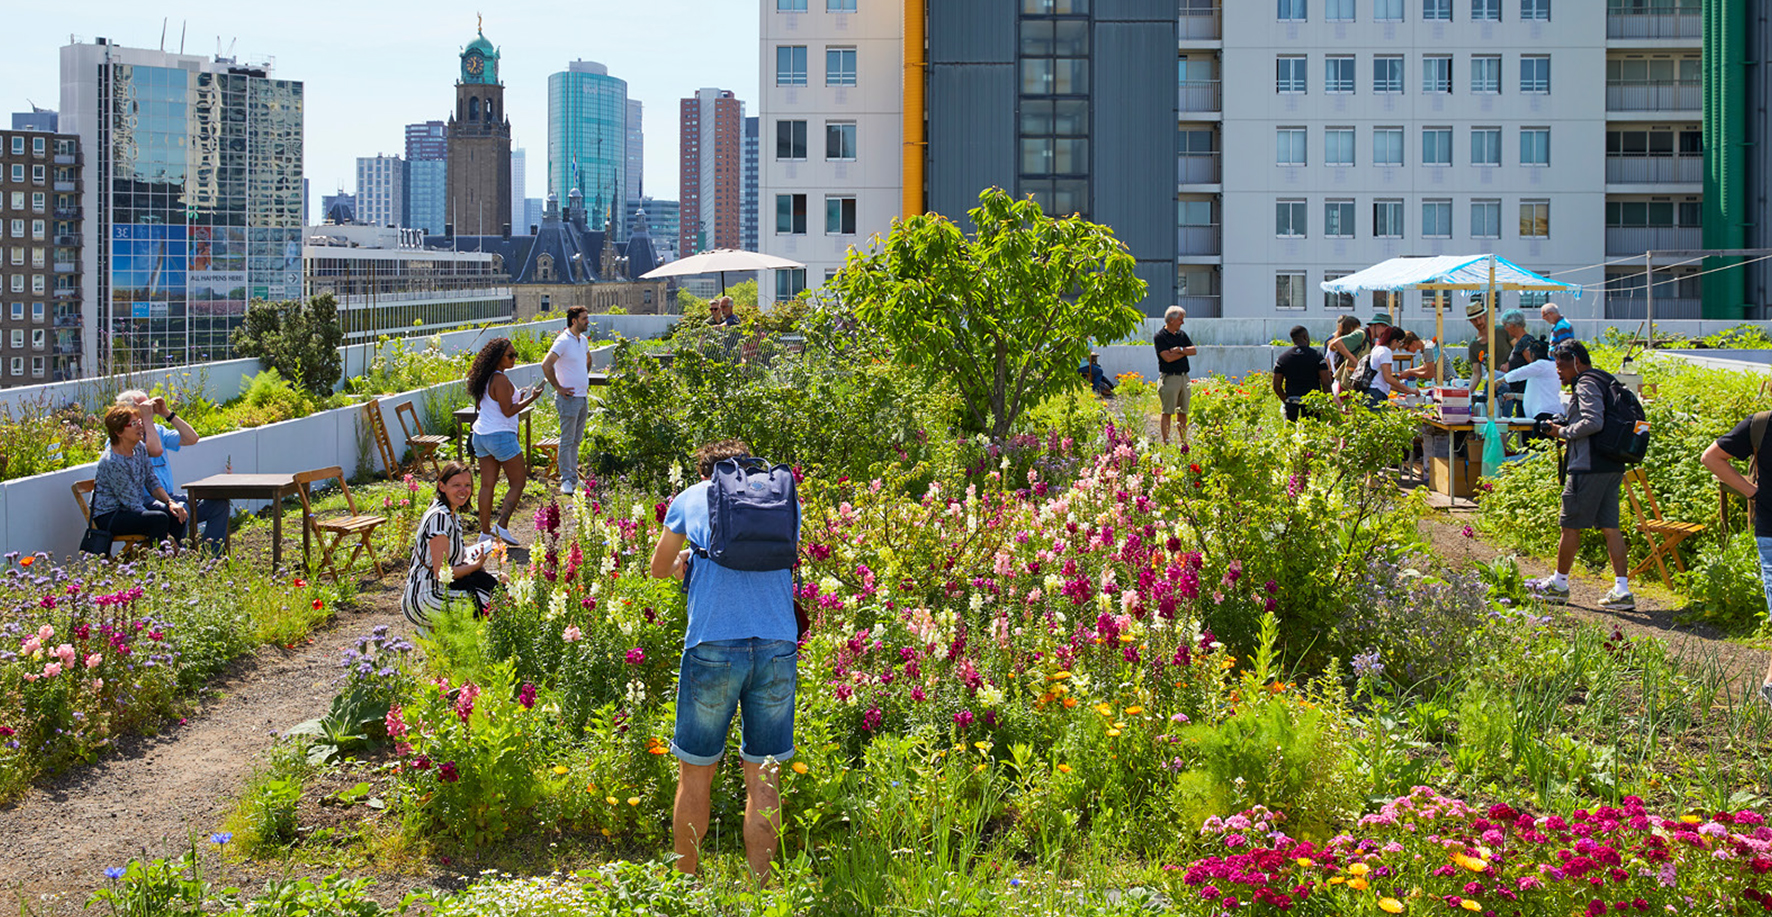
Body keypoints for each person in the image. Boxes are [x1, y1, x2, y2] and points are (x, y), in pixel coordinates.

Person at [649, 439, 799, 883]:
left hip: (712, 645)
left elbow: (658, 567)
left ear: (706, 473)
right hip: (776, 645)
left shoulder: (691, 497)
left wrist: (684, 560)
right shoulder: (781, 498)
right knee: (765, 775)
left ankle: (685, 884)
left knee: (696, 774)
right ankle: (762, 889)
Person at [1529, 341, 1634, 611]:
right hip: (1611, 464)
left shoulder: (1586, 383)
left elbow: (1593, 421)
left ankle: (1559, 585)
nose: (1558, 373)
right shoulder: (1605, 379)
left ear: (1575, 361)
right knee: (1610, 527)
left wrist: (1562, 432)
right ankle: (1622, 590)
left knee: (1570, 525)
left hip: (1587, 466)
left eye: (1560, 367)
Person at [1700, 412, 1772, 704]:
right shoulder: (1762, 424)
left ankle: (1770, 684)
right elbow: (1712, 458)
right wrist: (1754, 493)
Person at [116, 389, 229, 551]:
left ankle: (211, 557)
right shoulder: (122, 438)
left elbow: (192, 438)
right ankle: (178, 557)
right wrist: (146, 420)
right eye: (145, 406)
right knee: (181, 508)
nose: (150, 410)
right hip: (143, 502)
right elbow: (154, 450)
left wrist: (167, 413)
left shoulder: (157, 430)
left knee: (218, 505)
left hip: (167, 497)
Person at [402, 462, 498, 629]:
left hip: (444, 588)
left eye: (467, 485)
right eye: (456, 485)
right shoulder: (439, 517)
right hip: (428, 595)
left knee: (503, 580)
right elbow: (441, 573)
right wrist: (475, 566)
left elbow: (452, 560)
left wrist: (471, 560)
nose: (463, 490)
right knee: (495, 602)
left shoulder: (452, 515)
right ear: (442, 486)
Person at [467, 337, 544, 546]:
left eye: (515, 355)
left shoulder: (483, 378)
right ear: (497, 357)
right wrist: (531, 398)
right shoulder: (500, 379)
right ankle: (501, 525)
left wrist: (518, 396)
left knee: (487, 485)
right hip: (500, 436)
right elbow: (508, 411)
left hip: (481, 435)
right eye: (510, 355)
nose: (514, 358)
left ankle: (484, 533)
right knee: (518, 482)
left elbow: (486, 406)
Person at [90, 402, 187, 548]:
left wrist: (170, 502)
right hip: (111, 515)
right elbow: (131, 502)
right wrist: (167, 533)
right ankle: (161, 557)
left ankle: (172, 554)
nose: (140, 426)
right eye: (134, 424)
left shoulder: (139, 448)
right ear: (119, 432)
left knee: (176, 513)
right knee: (159, 519)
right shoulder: (113, 461)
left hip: (131, 508)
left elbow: (151, 480)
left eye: (139, 421)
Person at [541, 306, 594, 496]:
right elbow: (546, 364)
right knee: (567, 440)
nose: (587, 321)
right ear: (574, 321)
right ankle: (566, 479)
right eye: (584, 318)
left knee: (576, 441)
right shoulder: (563, 340)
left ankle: (573, 478)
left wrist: (582, 378)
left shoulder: (582, 340)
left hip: (582, 397)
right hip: (568, 399)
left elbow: (588, 359)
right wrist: (558, 387)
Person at [1501, 337, 1563, 441]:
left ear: (1533, 354)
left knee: (1539, 446)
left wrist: (1500, 380)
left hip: (1544, 415)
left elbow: (1519, 373)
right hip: (1551, 413)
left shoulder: (1541, 365)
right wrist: (1514, 396)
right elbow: (1537, 395)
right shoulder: (1549, 367)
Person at [1154, 306, 1197, 445]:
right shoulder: (1160, 336)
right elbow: (1167, 358)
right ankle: (1166, 442)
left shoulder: (1181, 335)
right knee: (1167, 411)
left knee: (1183, 412)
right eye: (1180, 319)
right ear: (1171, 320)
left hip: (1184, 377)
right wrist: (1184, 353)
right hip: (1170, 378)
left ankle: (1183, 442)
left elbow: (1193, 350)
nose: (1182, 322)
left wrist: (1179, 350)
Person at [1271, 325, 1330, 422]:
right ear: (1305, 337)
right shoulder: (1317, 356)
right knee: (1311, 429)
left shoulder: (1282, 358)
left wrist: (1286, 400)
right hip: (1312, 402)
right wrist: (1327, 403)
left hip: (1291, 401)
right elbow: (1326, 383)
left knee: (1290, 429)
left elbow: (1276, 385)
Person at [1464, 298, 1513, 407]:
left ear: (1485, 315)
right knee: (1484, 408)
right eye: (1474, 320)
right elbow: (1476, 373)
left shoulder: (1502, 331)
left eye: (1480, 318)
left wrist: (1510, 363)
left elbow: (1519, 348)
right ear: (1471, 321)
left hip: (1511, 379)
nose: (1479, 322)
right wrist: (1466, 395)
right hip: (1492, 383)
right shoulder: (1474, 345)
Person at [1361, 325, 1417, 406]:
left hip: (1372, 392)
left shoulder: (1377, 348)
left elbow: (1385, 382)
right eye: (1400, 343)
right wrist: (1410, 390)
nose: (1398, 346)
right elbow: (1388, 378)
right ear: (1394, 341)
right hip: (1376, 394)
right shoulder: (1385, 351)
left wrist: (1406, 390)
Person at [1327, 314, 1367, 394]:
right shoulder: (1347, 347)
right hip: (1345, 383)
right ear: (1352, 328)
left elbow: (1328, 364)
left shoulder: (1331, 344)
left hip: (1335, 382)